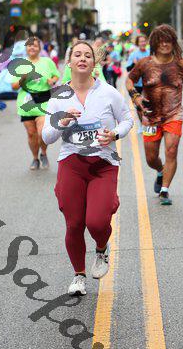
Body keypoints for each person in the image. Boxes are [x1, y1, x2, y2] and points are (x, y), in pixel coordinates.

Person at [42, 41, 133, 296]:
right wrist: (62, 121)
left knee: (97, 221)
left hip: (103, 164)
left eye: (88, 55)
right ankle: (79, 275)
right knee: (74, 224)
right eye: (77, 55)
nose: (82, 58)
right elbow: (47, 136)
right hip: (72, 164)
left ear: (94, 63)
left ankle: (101, 248)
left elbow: (127, 120)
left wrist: (114, 134)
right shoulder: (59, 96)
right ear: (69, 62)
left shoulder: (108, 92)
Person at [126, 24, 183, 205]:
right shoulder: (145, 63)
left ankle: (164, 190)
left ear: (173, 42)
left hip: (174, 115)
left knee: (171, 150)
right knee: (151, 158)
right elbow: (129, 80)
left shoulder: (181, 64)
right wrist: (135, 97)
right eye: (161, 41)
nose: (165, 44)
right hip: (150, 117)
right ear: (155, 43)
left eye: (168, 40)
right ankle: (160, 171)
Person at [8, 36, 60, 170]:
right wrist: (23, 78)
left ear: (39, 48)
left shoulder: (47, 62)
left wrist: (52, 81)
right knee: (31, 134)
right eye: (29, 45)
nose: (32, 48)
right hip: (27, 103)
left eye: (35, 45)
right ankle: (35, 158)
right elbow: (13, 86)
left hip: (44, 101)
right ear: (26, 48)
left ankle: (44, 153)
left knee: (42, 132)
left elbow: (56, 75)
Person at [126, 34, 150, 128]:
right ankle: (142, 124)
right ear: (137, 43)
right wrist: (134, 64)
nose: (143, 43)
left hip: (149, 83)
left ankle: (149, 123)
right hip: (137, 83)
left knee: (148, 104)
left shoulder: (150, 53)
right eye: (141, 41)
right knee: (139, 105)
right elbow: (128, 69)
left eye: (144, 41)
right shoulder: (133, 55)